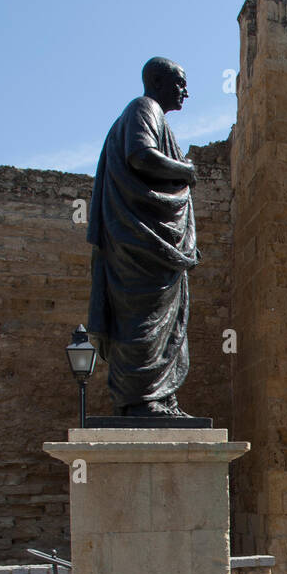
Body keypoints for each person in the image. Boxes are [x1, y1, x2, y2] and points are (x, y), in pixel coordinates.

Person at [87, 58, 199, 416]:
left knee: (156, 319)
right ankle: (141, 401)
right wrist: (187, 169)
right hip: (140, 243)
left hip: (151, 241)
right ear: (156, 81)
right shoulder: (143, 108)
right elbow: (141, 156)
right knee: (142, 319)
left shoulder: (152, 115)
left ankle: (157, 397)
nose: (186, 90)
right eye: (180, 82)